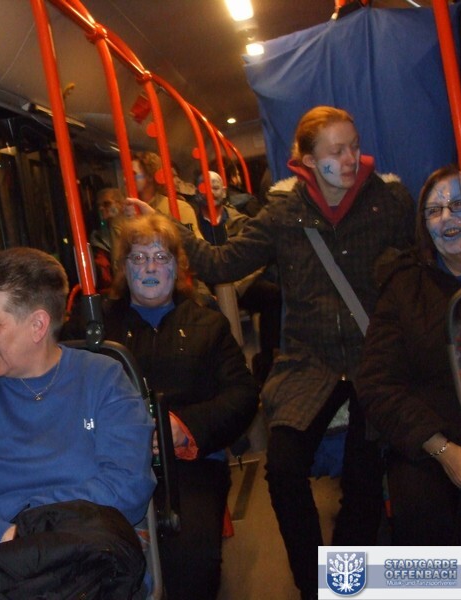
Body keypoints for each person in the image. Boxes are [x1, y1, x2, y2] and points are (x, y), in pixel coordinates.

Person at [132, 106, 415, 599]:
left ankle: (340, 585)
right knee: (283, 470)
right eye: (337, 150)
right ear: (307, 160)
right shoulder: (284, 215)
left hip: (372, 357)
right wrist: (167, 226)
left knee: (365, 475)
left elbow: (415, 265)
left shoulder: (386, 203)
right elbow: (222, 263)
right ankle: (313, 584)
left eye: (354, 146)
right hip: (309, 361)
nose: (352, 158)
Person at [0, 248, 155, 592]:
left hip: (91, 561)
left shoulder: (103, 379)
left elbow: (128, 486)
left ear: (38, 325)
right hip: (4, 562)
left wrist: (31, 529)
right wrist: (17, 540)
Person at [102, 213, 259, 599]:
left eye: (161, 257)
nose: (150, 268)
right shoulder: (100, 332)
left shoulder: (209, 325)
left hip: (191, 464)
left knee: (192, 561)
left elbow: (241, 396)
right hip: (114, 466)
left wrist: (183, 428)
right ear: (124, 268)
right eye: (139, 258)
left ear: (178, 266)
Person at [356, 165, 461, 545]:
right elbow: (376, 383)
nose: (447, 218)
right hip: (435, 433)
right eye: (434, 211)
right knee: (424, 512)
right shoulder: (405, 286)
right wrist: (444, 450)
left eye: (458, 206)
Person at [194, 170, 283, 384]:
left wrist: (238, 285)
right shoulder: (193, 224)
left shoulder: (240, 221)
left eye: (216, 187)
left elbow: (256, 259)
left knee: (273, 296)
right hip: (207, 285)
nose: (211, 192)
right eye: (205, 187)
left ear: (224, 191)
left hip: (240, 282)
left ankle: (267, 358)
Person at [132, 151, 203, 239]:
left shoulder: (181, 208)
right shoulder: (126, 212)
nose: (125, 179)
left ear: (150, 176)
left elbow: (193, 244)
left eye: (133, 174)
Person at [89, 187, 127, 293]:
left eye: (107, 204)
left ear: (121, 204)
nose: (101, 208)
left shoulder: (132, 227)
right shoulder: (99, 235)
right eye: (99, 205)